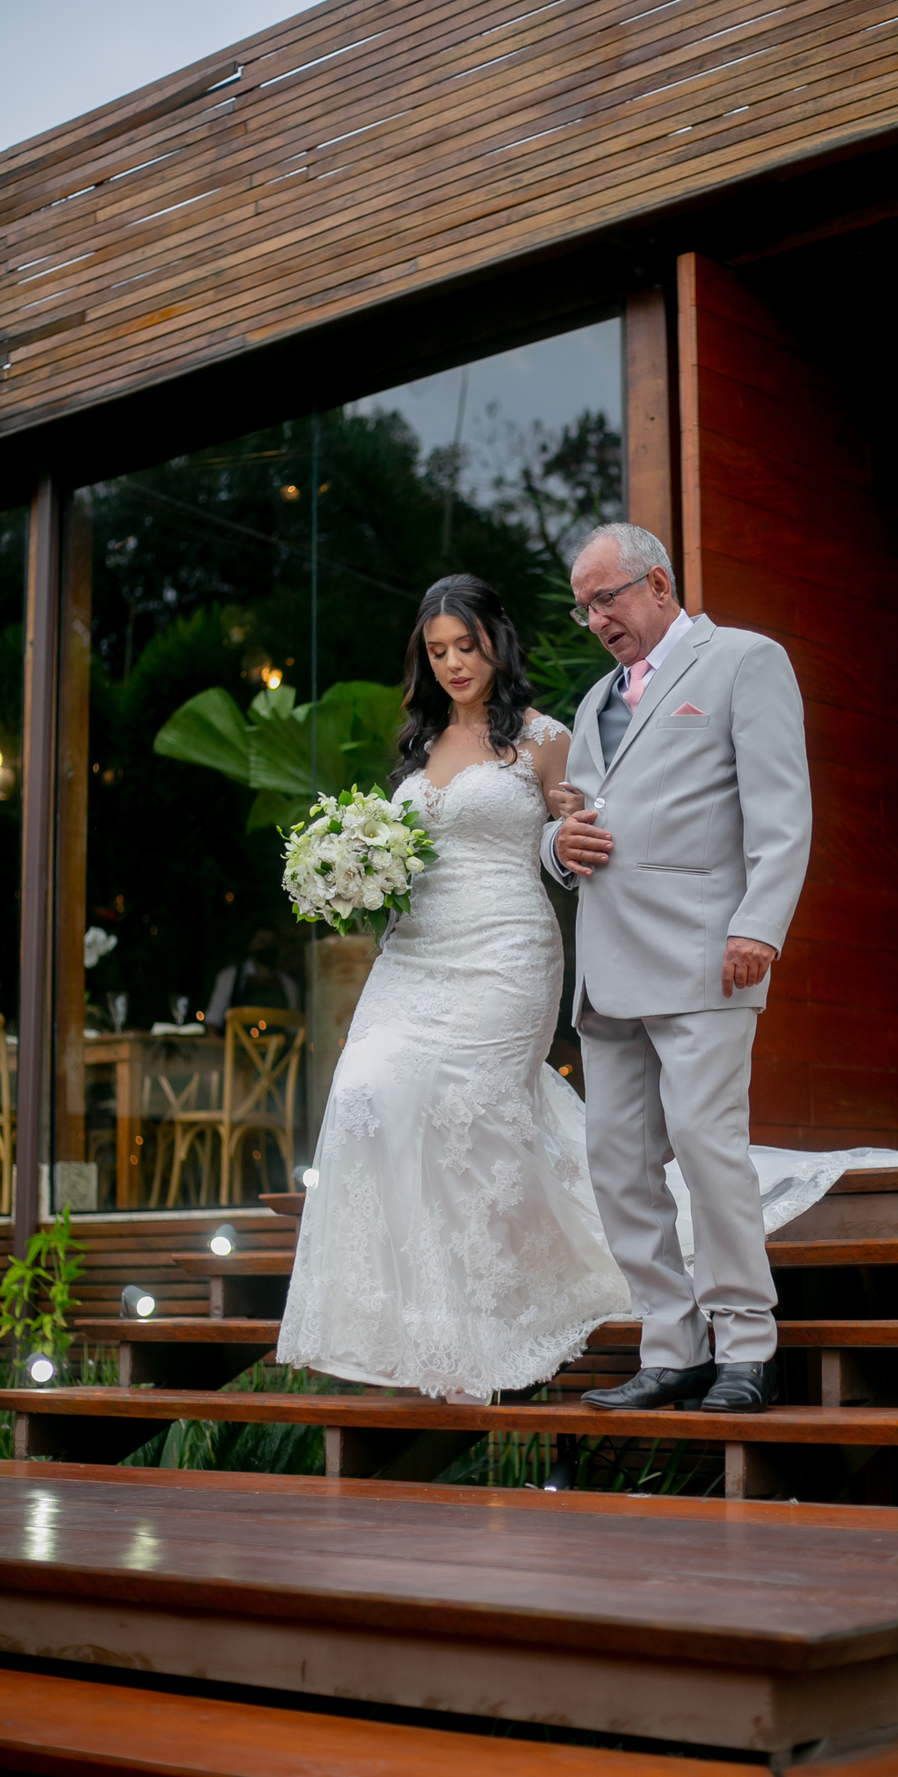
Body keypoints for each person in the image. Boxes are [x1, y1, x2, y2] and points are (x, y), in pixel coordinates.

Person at [277, 575, 632, 1397]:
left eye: (465, 646)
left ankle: (494, 1312)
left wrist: (572, 820)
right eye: (437, 651)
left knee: (469, 1114)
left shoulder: (546, 739)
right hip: (413, 953)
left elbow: (583, 838)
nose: (453, 664)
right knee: (366, 1091)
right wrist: (351, 870)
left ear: (496, 642)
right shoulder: (420, 742)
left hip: (507, 947)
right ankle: (406, 1321)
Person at [543, 523, 811, 1414]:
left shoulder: (744, 661)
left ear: (658, 584)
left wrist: (759, 926)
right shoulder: (595, 700)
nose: (596, 620)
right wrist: (556, 844)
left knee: (706, 1147)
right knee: (618, 1165)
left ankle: (747, 1347)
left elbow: (783, 813)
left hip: (707, 957)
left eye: (606, 599)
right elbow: (578, 818)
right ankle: (672, 1348)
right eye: (584, 608)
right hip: (608, 967)